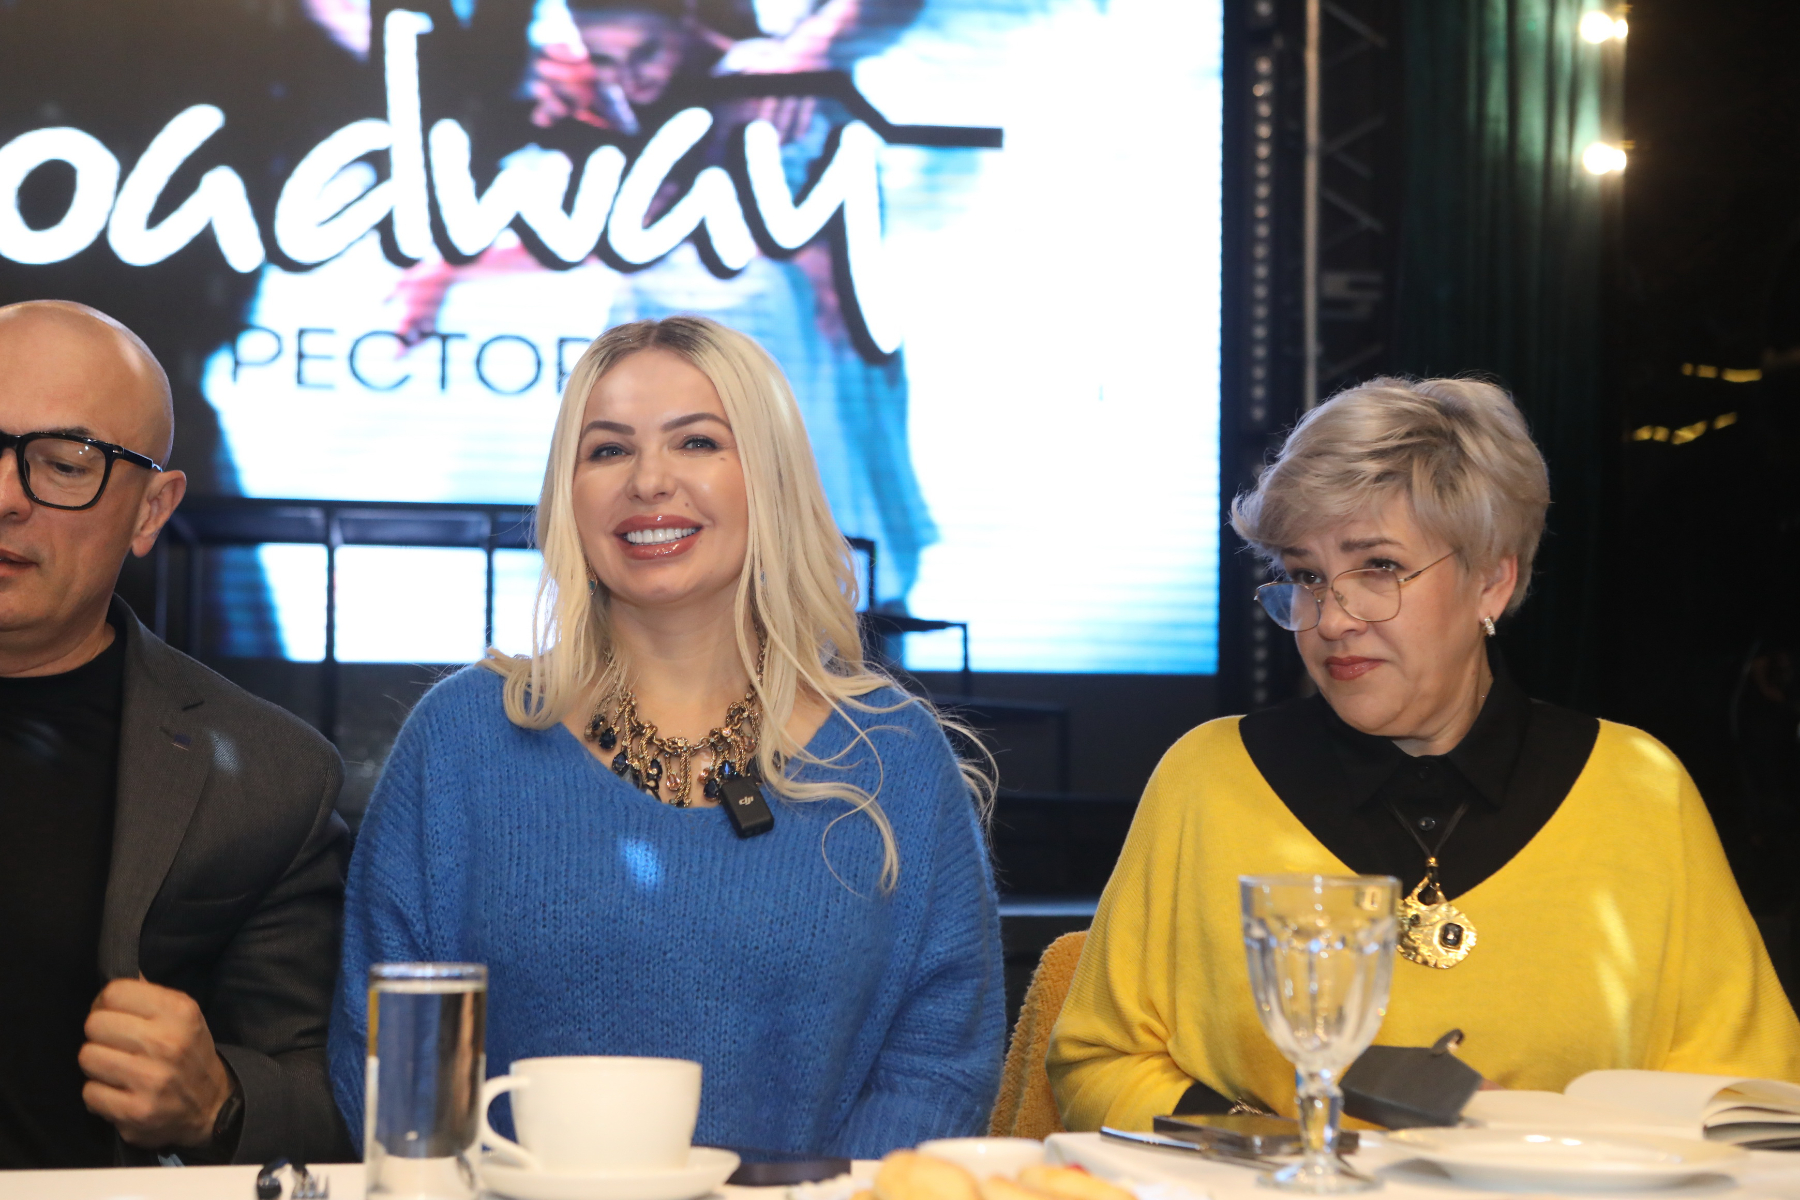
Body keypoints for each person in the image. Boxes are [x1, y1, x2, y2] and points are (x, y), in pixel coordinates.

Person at [328, 316, 1003, 1158]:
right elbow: (385, 1057)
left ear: (770, 477)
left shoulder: (892, 754)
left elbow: (938, 1066)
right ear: (566, 494)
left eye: (697, 442)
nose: (649, 481)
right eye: (608, 450)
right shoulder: (461, 741)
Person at [1047, 377, 1800, 1132]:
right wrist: (1292, 1149)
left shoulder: (1639, 790)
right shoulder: (1208, 778)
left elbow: (1754, 1099)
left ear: (1492, 581)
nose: (1332, 619)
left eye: (1378, 566)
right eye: (1306, 576)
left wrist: (1543, 1148)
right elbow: (1098, 1063)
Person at [0, 302, 353, 1167]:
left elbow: (329, 1100)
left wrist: (218, 1101)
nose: (5, 497)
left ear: (151, 511)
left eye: (64, 464)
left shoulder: (267, 781)